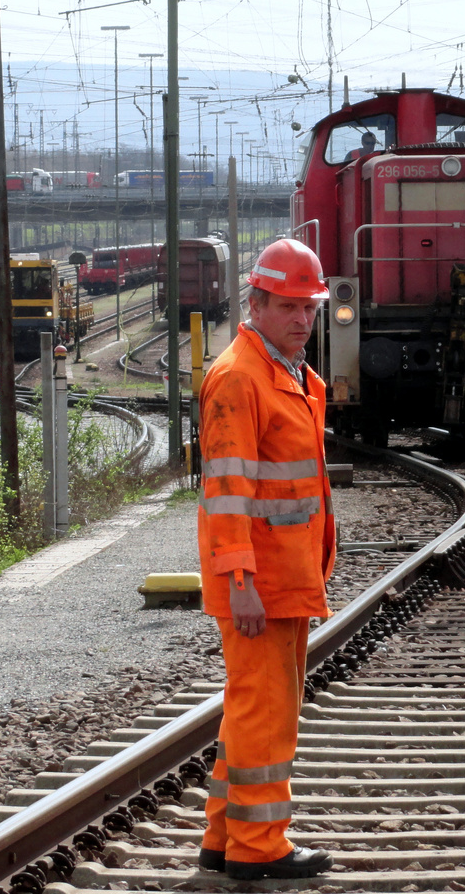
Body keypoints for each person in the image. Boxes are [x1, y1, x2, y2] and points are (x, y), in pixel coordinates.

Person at [195, 238, 336, 881]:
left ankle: (225, 835)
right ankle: (259, 848)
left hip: (288, 574)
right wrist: (240, 580)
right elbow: (227, 490)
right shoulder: (238, 378)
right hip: (260, 582)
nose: (302, 319)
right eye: (289, 307)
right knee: (268, 712)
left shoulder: (287, 374)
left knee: (250, 705)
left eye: (310, 307)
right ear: (256, 303)